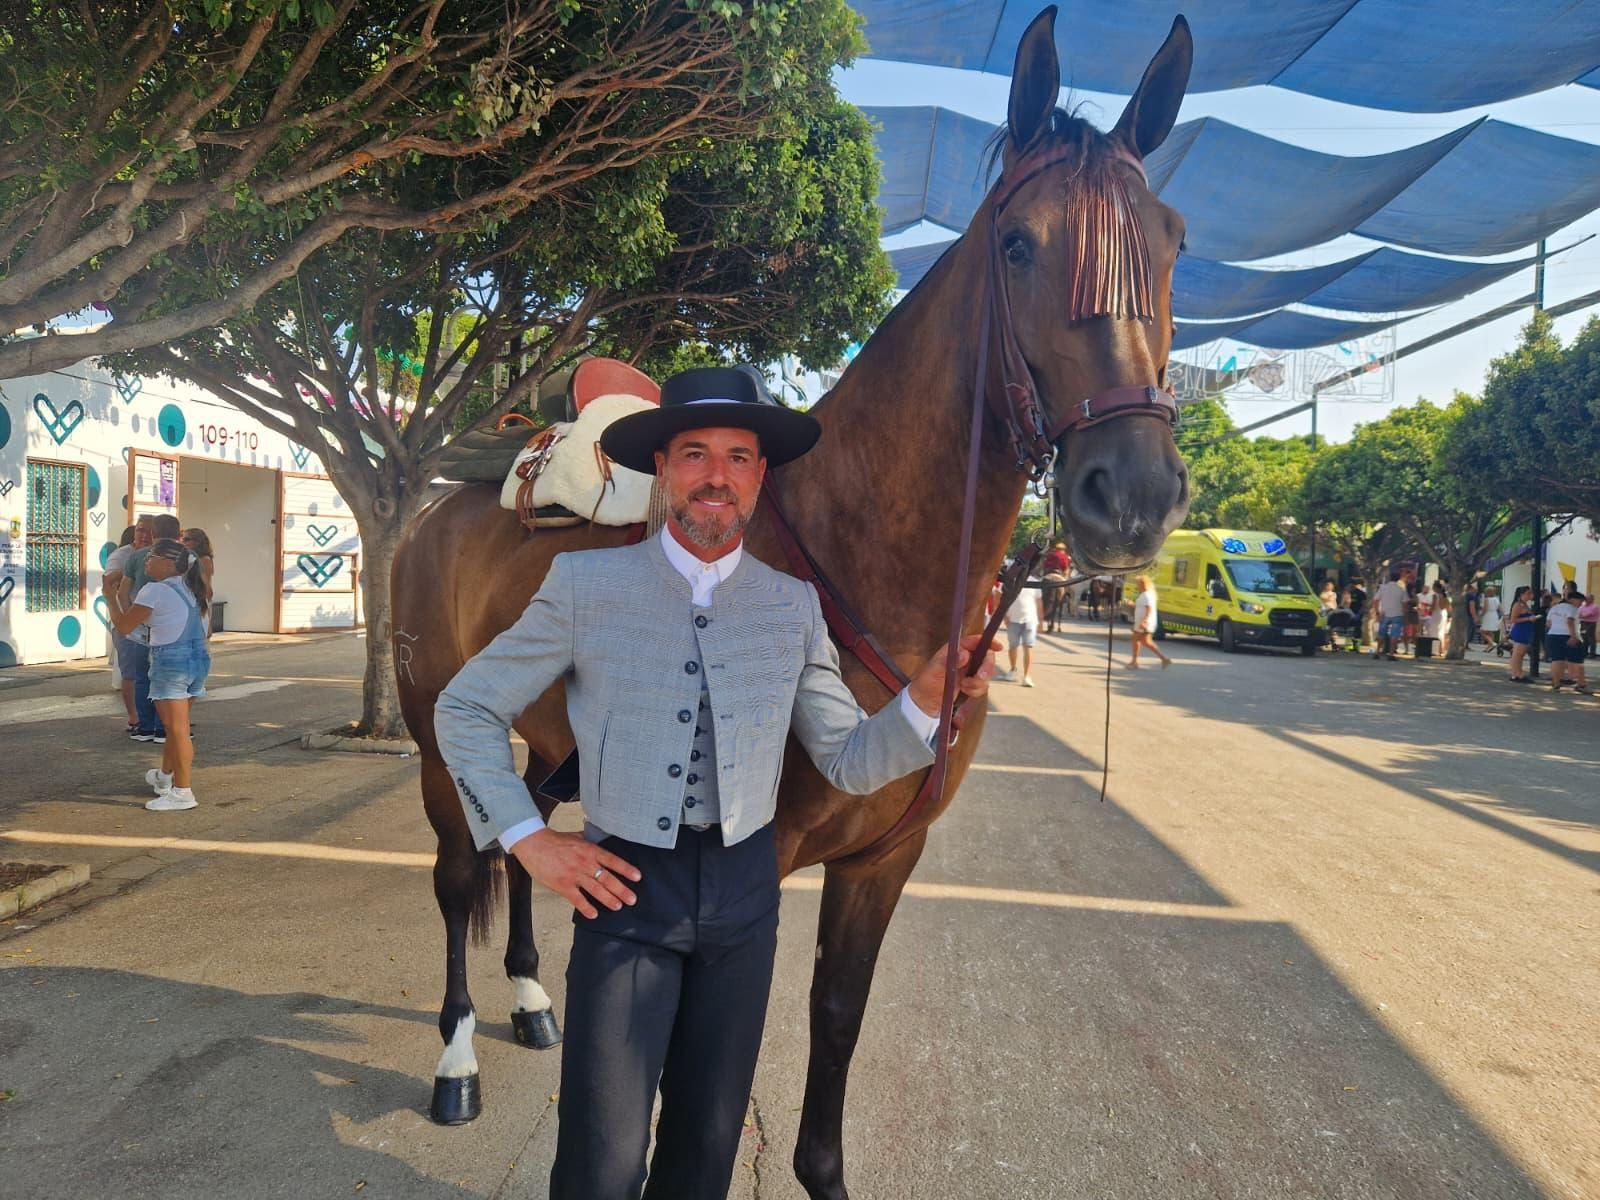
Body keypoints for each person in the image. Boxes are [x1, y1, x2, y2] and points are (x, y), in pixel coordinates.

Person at [433, 366, 994, 1200]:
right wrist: (530, 839)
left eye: (738, 456)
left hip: (743, 900)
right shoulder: (586, 588)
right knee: (601, 1160)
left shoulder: (794, 606)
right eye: (695, 453)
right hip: (623, 894)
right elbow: (465, 707)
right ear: (663, 468)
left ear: (761, 476)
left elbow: (844, 757)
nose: (717, 476)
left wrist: (918, 706)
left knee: (705, 1156)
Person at [103, 538, 213, 810]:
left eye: (151, 556)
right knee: (177, 727)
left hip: (171, 663)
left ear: (167, 562)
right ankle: (165, 778)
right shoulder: (192, 588)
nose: (146, 560)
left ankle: (183, 792)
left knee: (177, 730)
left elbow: (125, 626)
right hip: (198, 661)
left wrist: (110, 596)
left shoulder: (154, 590)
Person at [117, 512, 182, 742]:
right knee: (168, 678)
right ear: (179, 534)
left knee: (143, 677)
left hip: (141, 631)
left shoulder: (137, 557)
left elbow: (122, 593)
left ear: (153, 533)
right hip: (173, 629)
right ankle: (163, 728)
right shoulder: (187, 557)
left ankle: (145, 728)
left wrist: (132, 619)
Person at [103, 523, 145, 732]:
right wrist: (132, 566)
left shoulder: (157, 555)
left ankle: (152, 716)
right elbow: (109, 582)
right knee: (131, 673)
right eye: (141, 531)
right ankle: (134, 718)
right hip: (126, 622)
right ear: (134, 534)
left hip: (151, 622)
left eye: (150, 531)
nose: (146, 535)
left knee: (151, 673)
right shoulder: (121, 556)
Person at [1000, 564, 1043, 684]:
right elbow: (999, 596)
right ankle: (1013, 669)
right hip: (1013, 619)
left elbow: (1039, 603)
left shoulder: (1034, 582)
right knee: (1013, 646)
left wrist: (1041, 621)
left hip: (1030, 619)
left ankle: (1027, 675)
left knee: (1028, 646)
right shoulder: (1010, 581)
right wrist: (1004, 616)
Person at [1545, 590, 1589, 693]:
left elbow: (1548, 623)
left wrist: (1557, 627)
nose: (1580, 604)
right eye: (1580, 601)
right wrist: (1573, 636)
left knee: (1556, 660)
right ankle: (1581, 684)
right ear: (1573, 599)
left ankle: (1556, 684)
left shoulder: (1554, 608)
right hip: (1568, 636)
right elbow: (1570, 621)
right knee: (1578, 661)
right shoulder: (1573, 609)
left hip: (1553, 635)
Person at [1127, 573, 1171, 669]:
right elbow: (1141, 607)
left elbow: (1149, 609)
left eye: (1138, 584)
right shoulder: (1145, 594)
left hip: (1144, 623)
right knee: (1145, 642)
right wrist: (1132, 605)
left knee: (1138, 640)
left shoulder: (1147, 595)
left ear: (1143, 584)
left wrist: (1144, 621)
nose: (1137, 586)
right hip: (1143, 622)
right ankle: (1163, 659)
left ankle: (1135, 662)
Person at [1373, 570, 1408, 661]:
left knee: (1381, 634)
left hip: (1384, 613)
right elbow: (1405, 604)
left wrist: (1377, 612)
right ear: (1398, 578)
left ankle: (1377, 652)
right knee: (1395, 635)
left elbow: (1376, 600)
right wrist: (1405, 615)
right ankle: (1391, 654)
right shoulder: (1401, 590)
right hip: (1397, 614)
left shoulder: (1383, 588)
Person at [1506, 585, 1536, 682]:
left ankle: (1518, 673)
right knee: (1517, 654)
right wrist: (1528, 618)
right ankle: (1516, 674)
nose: (1530, 595)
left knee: (1520, 654)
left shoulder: (1525, 605)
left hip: (1526, 630)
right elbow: (1513, 619)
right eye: (1528, 593)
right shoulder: (1518, 605)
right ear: (1521, 594)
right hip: (1520, 630)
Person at [181, 528, 216, 595]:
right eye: (182, 539)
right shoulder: (188, 558)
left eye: (186, 539)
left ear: (198, 542)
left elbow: (206, 586)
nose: (183, 542)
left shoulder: (204, 559)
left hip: (197, 600)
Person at [1479, 584, 1503, 652]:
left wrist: (1481, 615)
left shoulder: (1486, 599)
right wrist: (1503, 615)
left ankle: (1492, 643)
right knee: (1491, 632)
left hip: (1488, 615)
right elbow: (1500, 608)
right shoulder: (1496, 599)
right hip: (1494, 615)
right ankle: (1488, 647)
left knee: (1482, 631)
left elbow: (1485, 609)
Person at [1580, 592, 1598, 660]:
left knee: (1591, 639)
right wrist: (1582, 615)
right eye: (1585, 598)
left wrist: (1582, 615)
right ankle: (1584, 653)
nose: (1585, 600)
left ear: (1592, 599)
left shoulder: (1595, 606)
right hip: (1583, 623)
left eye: (1587, 598)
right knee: (1584, 638)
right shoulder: (1582, 606)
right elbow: (1579, 614)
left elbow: (1587, 614)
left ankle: (1592, 654)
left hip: (1590, 624)